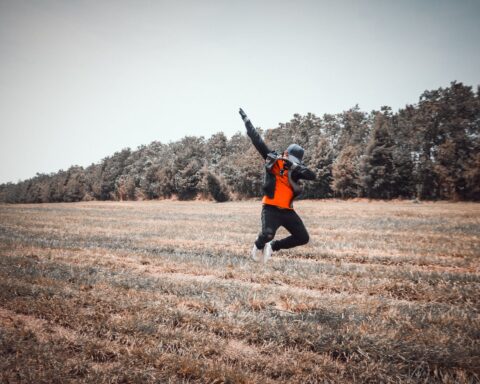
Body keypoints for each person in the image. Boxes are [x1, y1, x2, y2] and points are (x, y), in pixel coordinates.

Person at [239, 108, 316, 263]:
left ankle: (273, 246)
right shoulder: (273, 160)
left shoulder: (295, 169)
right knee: (267, 233)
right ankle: (258, 245)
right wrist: (247, 122)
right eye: (291, 159)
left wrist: (293, 166)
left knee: (303, 237)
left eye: (296, 162)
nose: (293, 163)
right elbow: (258, 141)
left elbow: (312, 176)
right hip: (271, 208)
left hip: (287, 211)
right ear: (285, 153)